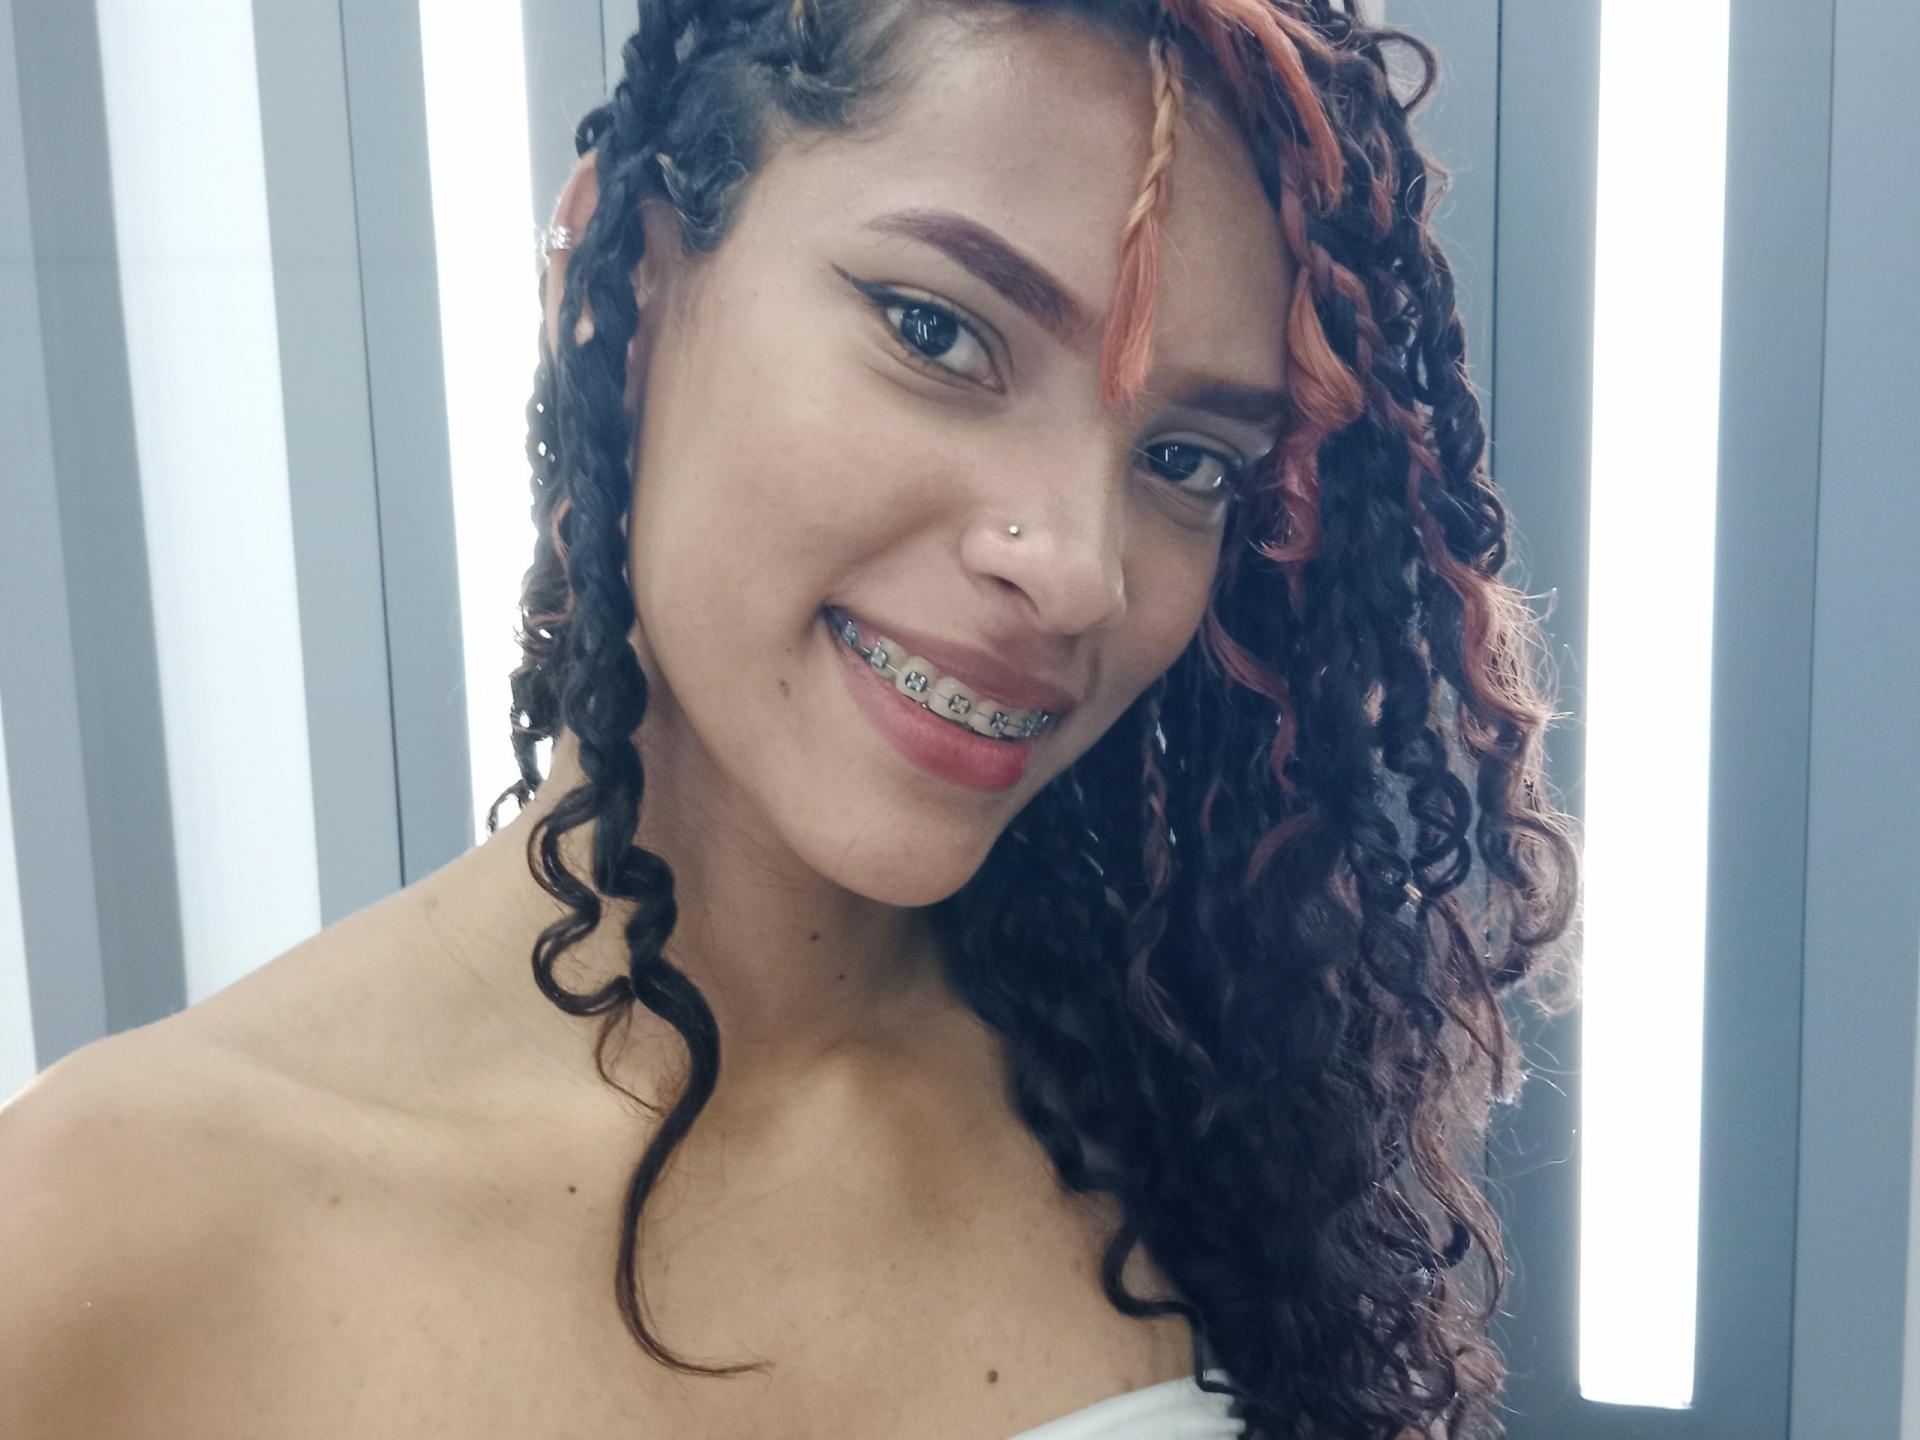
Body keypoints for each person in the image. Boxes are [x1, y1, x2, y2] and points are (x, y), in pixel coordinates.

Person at [1, 1, 1580, 1436]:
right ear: (622, 288)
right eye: (939, 331)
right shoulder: (101, 1233)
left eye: (1186, 462)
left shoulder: (1208, 1108)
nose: (1077, 568)